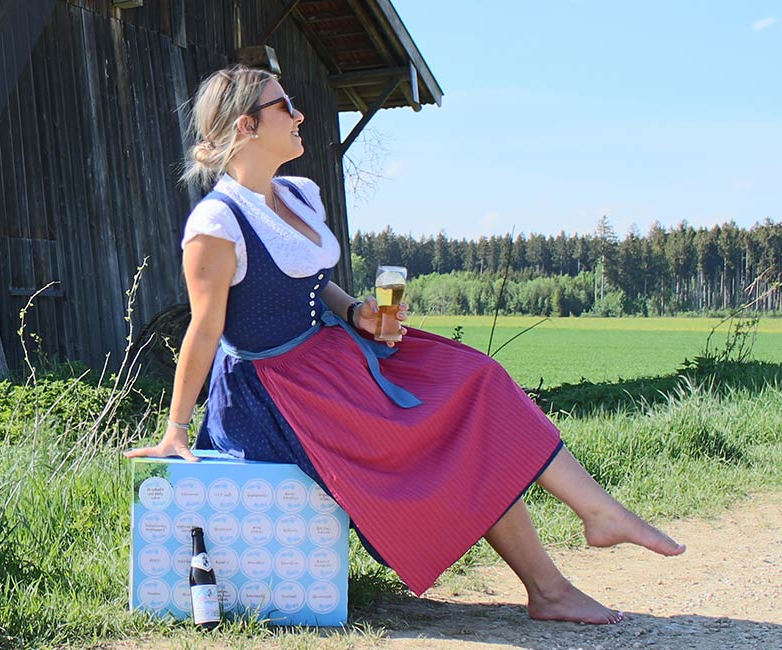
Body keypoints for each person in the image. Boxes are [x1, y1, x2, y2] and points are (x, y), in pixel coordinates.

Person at [124, 65, 684, 625]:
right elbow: (203, 329)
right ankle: (555, 582)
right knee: (449, 435)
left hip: (332, 353)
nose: (299, 116)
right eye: (284, 108)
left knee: (476, 380)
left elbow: (310, 280)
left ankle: (592, 520)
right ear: (247, 126)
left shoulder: (294, 195)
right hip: (278, 393)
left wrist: (354, 311)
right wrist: (175, 430)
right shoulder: (216, 225)